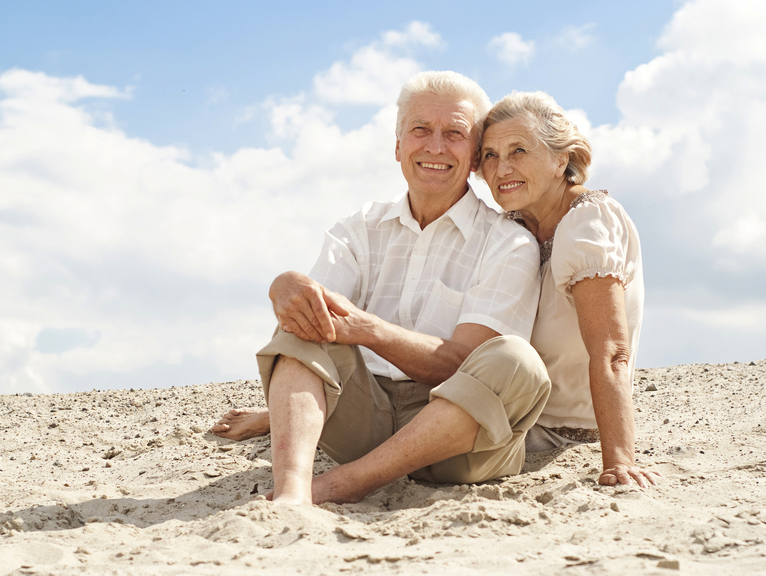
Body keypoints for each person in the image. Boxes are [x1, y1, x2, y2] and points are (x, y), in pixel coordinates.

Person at [212, 71, 551, 506]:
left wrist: (368, 330)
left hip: (461, 445)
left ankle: (337, 486)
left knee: (516, 359)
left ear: (475, 157)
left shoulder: (509, 241)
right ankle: (293, 492)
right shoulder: (360, 229)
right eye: (420, 130)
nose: (435, 146)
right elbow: (314, 315)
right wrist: (285, 286)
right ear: (397, 145)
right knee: (304, 318)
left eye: (454, 134)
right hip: (362, 425)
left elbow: (460, 363)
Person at [478, 91, 658, 488]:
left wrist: (619, 460)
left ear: (562, 159)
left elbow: (611, 351)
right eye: (489, 155)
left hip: (556, 435)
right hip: (514, 417)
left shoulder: (587, 220)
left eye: (519, 150)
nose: (501, 167)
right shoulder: (509, 227)